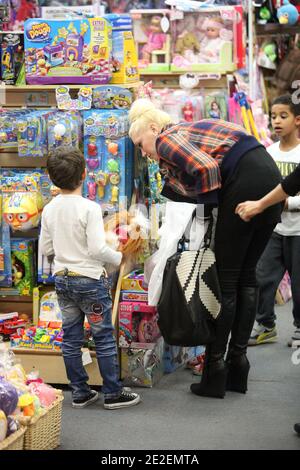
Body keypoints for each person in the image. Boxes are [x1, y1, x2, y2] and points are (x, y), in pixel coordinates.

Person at [129, 98, 282, 399]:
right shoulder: (186, 133)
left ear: (152, 128)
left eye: (139, 143)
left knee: (225, 283)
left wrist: (211, 213)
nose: (143, 151)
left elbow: (206, 167)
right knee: (245, 278)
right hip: (268, 179)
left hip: (243, 183)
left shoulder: (166, 138)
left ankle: (214, 371)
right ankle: (237, 364)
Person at [39, 147, 141, 410]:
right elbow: (97, 250)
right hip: (90, 282)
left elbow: (46, 249)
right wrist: (119, 257)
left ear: (51, 178)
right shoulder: (90, 208)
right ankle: (112, 393)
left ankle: (80, 392)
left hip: (62, 279)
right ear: (84, 174)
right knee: (103, 336)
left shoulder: (49, 210)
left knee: (71, 338)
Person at [246, 95, 300, 347]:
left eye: (283, 116)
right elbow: (265, 186)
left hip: (298, 230)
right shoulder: (268, 152)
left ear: (297, 120)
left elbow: (286, 193)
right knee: (262, 276)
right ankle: (266, 324)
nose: (277, 121)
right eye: (273, 116)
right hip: (274, 229)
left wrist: (289, 202)